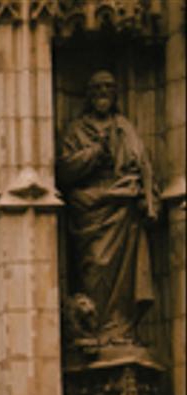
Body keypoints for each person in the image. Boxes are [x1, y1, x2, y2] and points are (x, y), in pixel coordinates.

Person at [56, 71, 159, 351]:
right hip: (89, 208)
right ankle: (95, 326)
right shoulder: (77, 129)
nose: (103, 93)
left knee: (122, 275)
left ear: (115, 95)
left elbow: (143, 166)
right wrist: (93, 154)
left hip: (122, 208)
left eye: (108, 88)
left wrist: (146, 195)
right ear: (89, 95)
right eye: (97, 88)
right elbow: (64, 170)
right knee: (95, 266)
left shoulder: (124, 127)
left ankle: (120, 328)